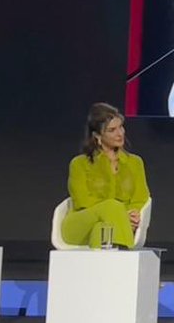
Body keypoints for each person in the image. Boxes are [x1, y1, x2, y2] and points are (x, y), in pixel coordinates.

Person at [62, 103, 150, 249]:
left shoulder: (135, 162)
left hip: (115, 225)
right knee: (112, 206)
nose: (120, 133)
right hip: (80, 225)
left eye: (121, 127)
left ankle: (102, 271)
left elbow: (141, 197)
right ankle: (127, 259)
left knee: (102, 230)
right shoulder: (79, 164)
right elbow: (82, 201)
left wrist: (132, 214)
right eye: (112, 130)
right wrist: (121, 214)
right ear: (97, 136)